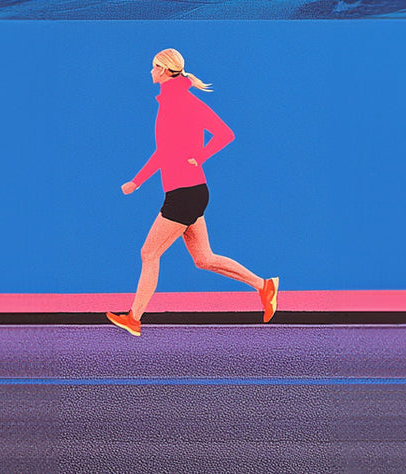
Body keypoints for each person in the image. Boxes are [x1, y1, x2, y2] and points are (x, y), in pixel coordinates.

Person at [106, 48, 279, 336]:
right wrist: (137, 182)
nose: (150, 72)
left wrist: (199, 157)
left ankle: (134, 318)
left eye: (153, 67)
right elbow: (163, 152)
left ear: (163, 70)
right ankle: (265, 286)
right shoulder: (170, 102)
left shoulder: (183, 102)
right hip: (187, 191)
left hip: (186, 193)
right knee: (204, 259)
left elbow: (225, 133)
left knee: (149, 253)